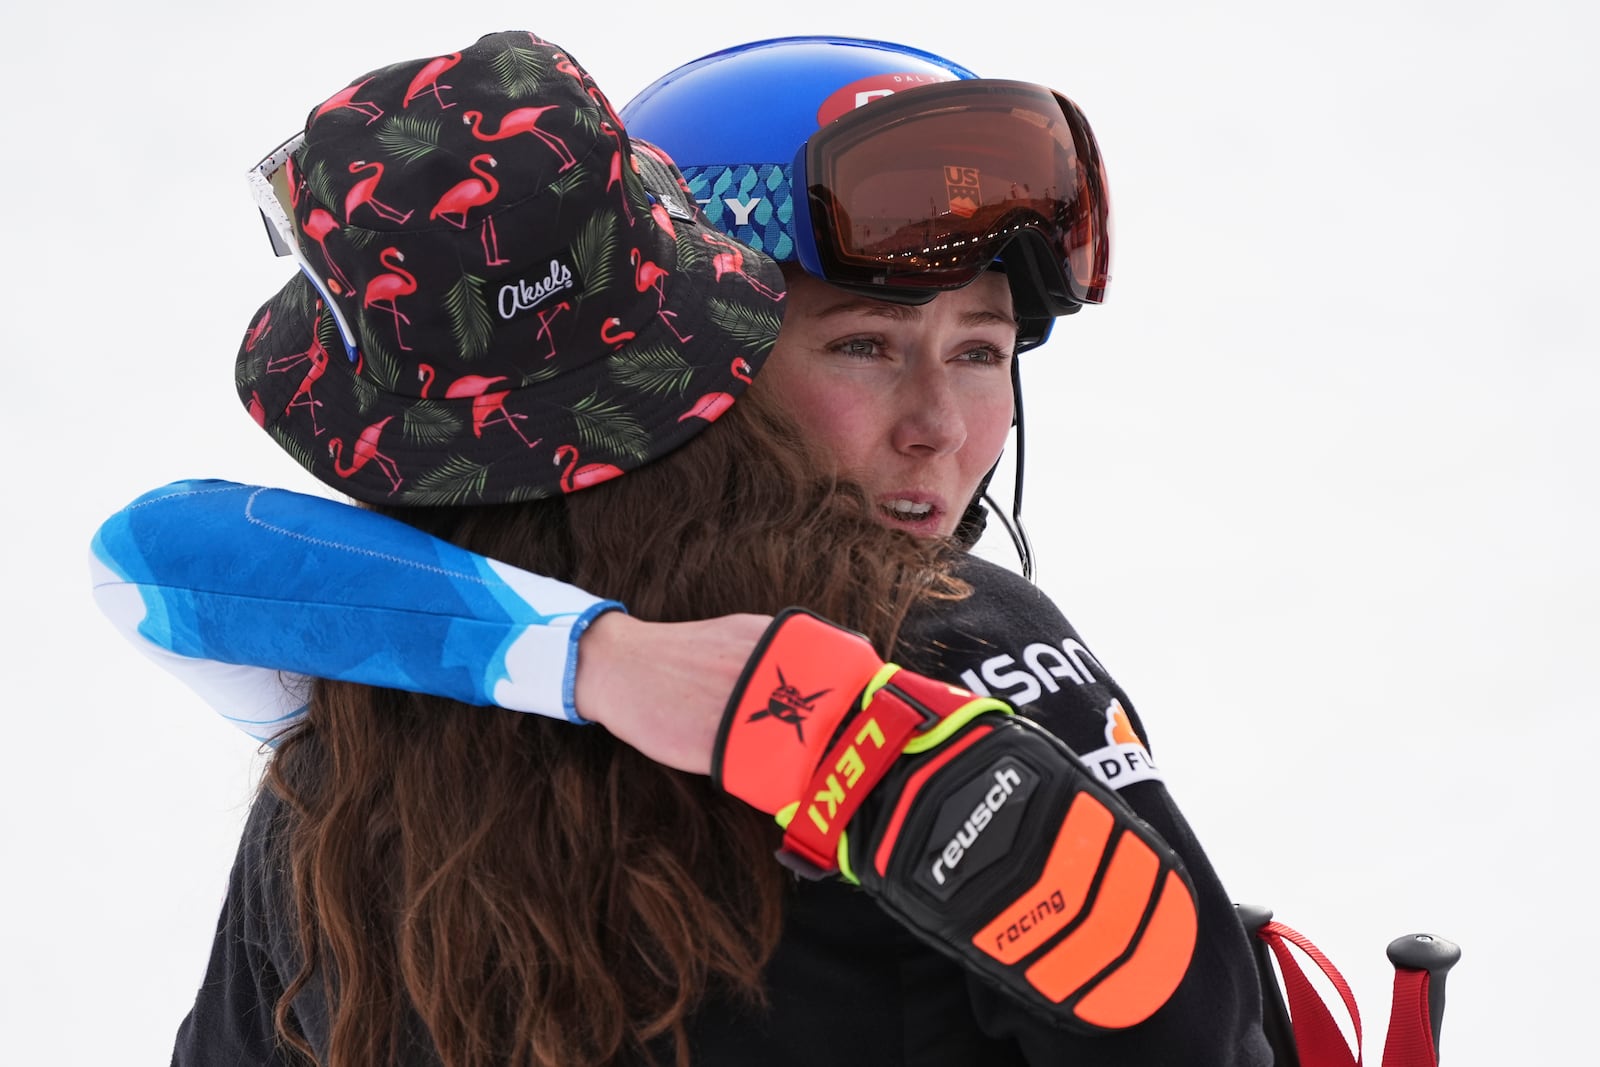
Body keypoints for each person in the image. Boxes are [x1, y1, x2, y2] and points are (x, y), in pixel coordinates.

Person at [92, 31, 1272, 1066]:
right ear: (717, 353)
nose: (942, 427)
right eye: (862, 346)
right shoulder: (960, 646)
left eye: (983, 351)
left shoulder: (352, 707)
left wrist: (586, 657)